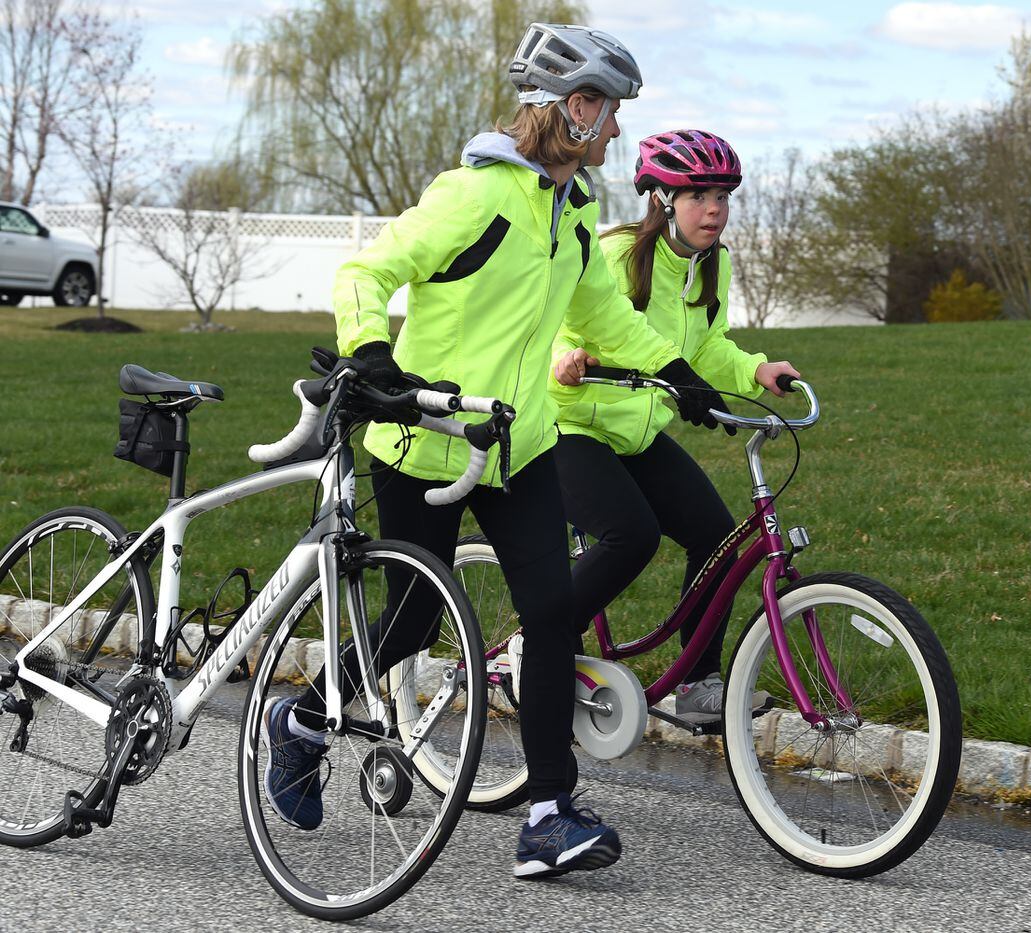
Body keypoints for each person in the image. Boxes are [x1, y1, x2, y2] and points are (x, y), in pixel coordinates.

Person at [260, 24, 728, 879]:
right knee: (413, 621)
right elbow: (364, 274)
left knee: (550, 614)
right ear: (576, 110)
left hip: (519, 445)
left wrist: (675, 370)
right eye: (610, 111)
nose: (617, 130)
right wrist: (371, 351)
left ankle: (548, 812)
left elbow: (600, 316)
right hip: (425, 441)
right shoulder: (474, 198)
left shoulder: (572, 210)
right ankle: (301, 720)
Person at [550, 130, 801, 724]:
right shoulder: (613, 256)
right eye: (697, 196)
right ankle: (545, 643)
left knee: (715, 535)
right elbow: (560, 316)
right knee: (629, 535)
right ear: (661, 201)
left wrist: (755, 369)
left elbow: (707, 346)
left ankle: (694, 682)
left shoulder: (715, 267)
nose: (714, 209)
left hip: (635, 433)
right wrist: (567, 355)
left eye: (722, 196)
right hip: (568, 423)